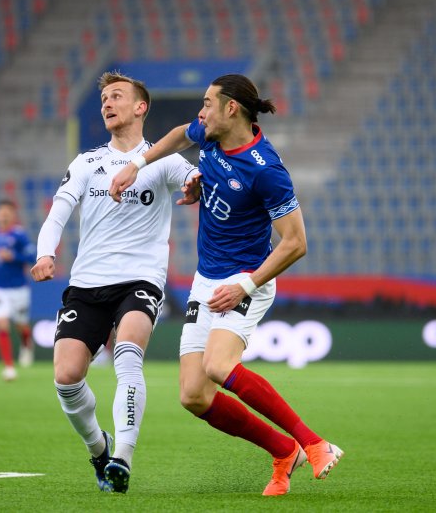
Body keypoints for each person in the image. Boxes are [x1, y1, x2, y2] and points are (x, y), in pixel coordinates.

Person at [110, 74, 344, 496]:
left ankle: (313, 442)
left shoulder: (267, 171)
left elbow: (295, 243)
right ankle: (282, 449)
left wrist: (247, 286)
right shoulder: (211, 134)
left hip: (245, 278)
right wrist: (138, 165)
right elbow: (183, 134)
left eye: (206, 103)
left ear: (231, 108)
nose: (200, 113)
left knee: (218, 366)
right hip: (207, 277)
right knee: (193, 396)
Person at [30, 71, 198, 493]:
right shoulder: (87, 163)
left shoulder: (161, 159)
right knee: (67, 378)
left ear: (140, 107)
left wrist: (196, 184)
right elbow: (58, 213)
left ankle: (122, 456)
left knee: (127, 356)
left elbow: (191, 179)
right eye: (104, 97)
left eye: (117, 96)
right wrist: (45, 253)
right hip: (87, 284)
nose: (107, 103)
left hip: (140, 281)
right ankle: (99, 447)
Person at [0, 200, 37, 381]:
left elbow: (32, 256)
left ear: (13, 215)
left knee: (21, 325)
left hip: (19, 288)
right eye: (0, 212)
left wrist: (14, 256)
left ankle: (27, 343)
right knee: (2, 323)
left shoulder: (20, 235)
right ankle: (9, 367)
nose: (3, 215)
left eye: (6, 212)